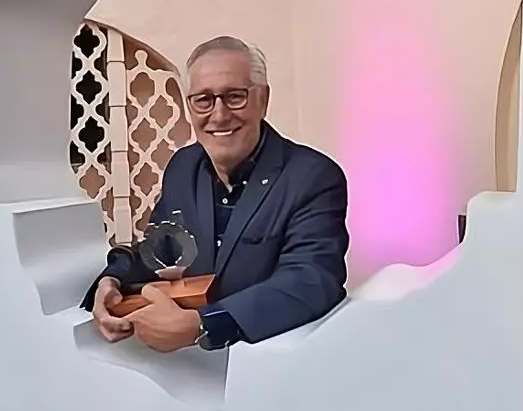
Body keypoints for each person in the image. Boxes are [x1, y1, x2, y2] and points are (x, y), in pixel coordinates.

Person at [79, 36, 349, 353]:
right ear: (189, 106)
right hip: (194, 369)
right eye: (203, 100)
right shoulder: (183, 167)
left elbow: (311, 280)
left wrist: (205, 324)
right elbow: (160, 250)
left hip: (274, 365)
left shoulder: (312, 176)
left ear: (263, 100)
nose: (219, 115)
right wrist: (112, 280)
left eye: (235, 97)